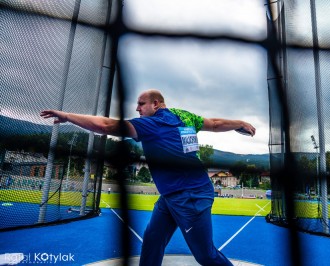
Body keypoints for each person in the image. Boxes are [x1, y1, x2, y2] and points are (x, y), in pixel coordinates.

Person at [41, 89, 256, 266]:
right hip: (171, 196)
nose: (137, 108)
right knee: (153, 241)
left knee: (206, 255)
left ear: (156, 104)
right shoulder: (184, 116)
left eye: (141, 104)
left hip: (190, 196)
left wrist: (67, 116)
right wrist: (239, 123)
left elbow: (106, 125)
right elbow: (216, 124)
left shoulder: (152, 125)